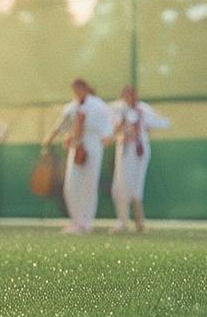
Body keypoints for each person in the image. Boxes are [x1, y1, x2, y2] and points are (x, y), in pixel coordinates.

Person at [42, 79, 114, 233]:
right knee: (71, 184)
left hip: (92, 143)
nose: (77, 92)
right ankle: (76, 221)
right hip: (76, 145)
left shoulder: (97, 104)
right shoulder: (72, 106)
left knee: (89, 184)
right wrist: (53, 137)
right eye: (74, 90)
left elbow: (107, 123)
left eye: (79, 89)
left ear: (85, 88)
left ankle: (85, 223)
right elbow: (63, 124)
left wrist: (108, 136)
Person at [110, 85, 170, 232]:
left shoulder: (143, 109)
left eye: (132, 94)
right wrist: (122, 127)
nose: (129, 97)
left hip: (138, 151)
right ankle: (123, 221)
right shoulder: (119, 109)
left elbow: (162, 123)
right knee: (119, 186)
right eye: (126, 94)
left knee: (136, 186)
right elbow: (113, 127)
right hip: (124, 151)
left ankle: (139, 221)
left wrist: (141, 126)